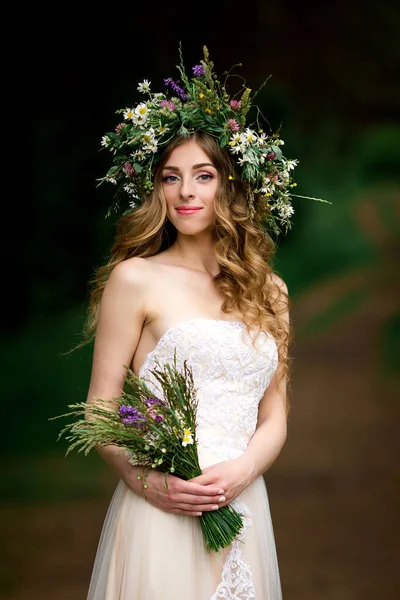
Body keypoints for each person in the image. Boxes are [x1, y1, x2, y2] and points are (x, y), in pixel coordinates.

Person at [82, 46, 294, 599]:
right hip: (164, 511)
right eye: (171, 177)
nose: (186, 192)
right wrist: (149, 483)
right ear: (157, 188)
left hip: (244, 506)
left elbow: (274, 416)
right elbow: (101, 407)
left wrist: (244, 471)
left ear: (230, 185)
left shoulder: (270, 291)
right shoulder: (134, 280)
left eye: (203, 175)